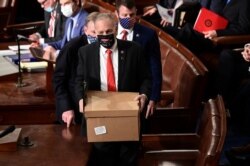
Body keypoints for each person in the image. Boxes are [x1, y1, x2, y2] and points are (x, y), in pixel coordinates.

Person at [75, 13, 151, 166]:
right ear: (95, 32)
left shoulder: (134, 50)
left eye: (108, 31)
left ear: (116, 30)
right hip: (100, 115)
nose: (105, 35)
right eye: (101, 33)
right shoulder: (85, 52)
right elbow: (79, 80)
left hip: (128, 115)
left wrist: (144, 95)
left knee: (127, 160)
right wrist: (80, 98)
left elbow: (146, 78)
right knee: (103, 160)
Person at [115, 0, 162, 119]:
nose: (128, 18)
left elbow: (155, 68)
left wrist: (153, 97)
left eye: (131, 15)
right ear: (116, 14)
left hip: (136, 94)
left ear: (136, 12)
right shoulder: (109, 32)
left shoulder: (148, 35)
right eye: (124, 15)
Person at [53, 12, 98, 128]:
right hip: (73, 109)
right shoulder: (71, 48)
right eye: (94, 32)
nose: (97, 37)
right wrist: (66, 107)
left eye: (100, 32)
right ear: (85, 30)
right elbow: (58, 80)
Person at [162, 0, 250, 55]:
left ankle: (167, 55)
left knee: (188, 30)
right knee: (170, 30)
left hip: (220, 40)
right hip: (206, 31)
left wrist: (218, 33)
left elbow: (244, 28)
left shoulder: (245, 2)